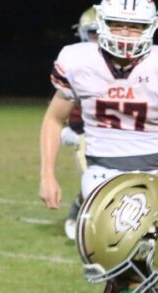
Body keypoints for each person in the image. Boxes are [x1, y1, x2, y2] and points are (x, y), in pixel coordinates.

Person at [39, 0, 158, 240]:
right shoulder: (77, 60)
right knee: (111, 251)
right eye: (118, 24)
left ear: (151, 27)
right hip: (101, 171)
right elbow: (53, 119)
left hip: (155, 169)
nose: (125, 33)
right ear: (102, 24)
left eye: (135, 26)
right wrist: (47, 175)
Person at [58, 6, 98, 240]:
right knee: (93, 177)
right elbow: (60, 99)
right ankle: (77, 217)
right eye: (92, 32)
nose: (96, 38)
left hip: (112, 131)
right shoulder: (74, 60)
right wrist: (65, 128)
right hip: (83, 131)